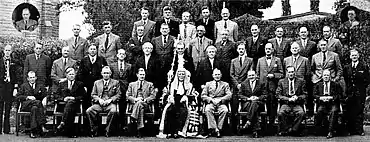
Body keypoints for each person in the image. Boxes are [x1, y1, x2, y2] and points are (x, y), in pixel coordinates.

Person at [157, 68, 196, 138]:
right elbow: (167, 94)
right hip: (174, 101)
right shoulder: (172, 84)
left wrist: (186, 97)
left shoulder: (189, 85)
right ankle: (169, 131)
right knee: (169, 110)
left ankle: (178, 131)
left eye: (183, 74)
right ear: (177, 75)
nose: (181, 76)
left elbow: (193, 96)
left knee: (183, 111)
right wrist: (170, 97)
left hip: (184, 103)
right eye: (179, 74)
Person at [77, 44, 107, 134]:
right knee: (88, 106)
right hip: (87, 87)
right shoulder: (84, 60)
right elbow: (80, 75)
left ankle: (100, 127)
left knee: (98, 106)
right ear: (88, 50)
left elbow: (106, 73)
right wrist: (83, 86)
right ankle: (88, 128)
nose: (93, 51)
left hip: (99, 87)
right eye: (91, 49)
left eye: (94, 49)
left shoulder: (101, 60)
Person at [86, 66, 121, 137]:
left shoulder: (115, 82)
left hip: (110, 104)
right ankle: (94, 130)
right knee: (89, 111)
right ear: (101, 73)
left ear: (110, 74)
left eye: (107, 73)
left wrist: (110, 100)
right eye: (104, 73)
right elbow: (93, 94)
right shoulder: (97, 83)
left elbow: (118, 94)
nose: (106, 75)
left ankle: (108, 130)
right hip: (99, 104)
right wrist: (99, 100)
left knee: (114, 111)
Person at [256, 43, 284, 129]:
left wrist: (274, 75)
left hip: (273, 87)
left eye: (269, 49)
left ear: (272, 50)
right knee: (262, 105)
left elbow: (281, 74)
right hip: (263, 87)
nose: (268, 50)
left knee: (272, 106)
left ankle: (271, 125)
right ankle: (263, 125)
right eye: (266, 49)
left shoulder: (277, 60)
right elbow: (257, 74)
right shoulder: (260, 60)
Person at [343, 49, 370, 136]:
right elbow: (345, 80)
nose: (354, 57)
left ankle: (360, 130)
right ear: (350, 57)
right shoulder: (347, 67)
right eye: (352, 55)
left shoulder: (364, 66)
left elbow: (367, 80)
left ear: (358, 56)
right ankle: (351, 130)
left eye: (355, 55)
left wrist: (361, 88)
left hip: (360, 92)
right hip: (350, 92)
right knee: (350, 111)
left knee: (359, 110)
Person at [55, 68, 86, 138]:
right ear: (66, 75)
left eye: (73, 74)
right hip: (63, 106)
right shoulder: (62, 84)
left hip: (76, 106)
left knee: (71, 103)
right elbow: (56, 95)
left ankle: (63, 122)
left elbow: (83, 96)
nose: (72, 76)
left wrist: (74, 98)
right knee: (69, 107)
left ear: (75, 75)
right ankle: (71, 132)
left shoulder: (80, 84)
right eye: (70, 74)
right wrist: (63, 99)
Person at [276, 66, 307, 136]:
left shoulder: (301, 81)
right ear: (287, 73)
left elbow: (305, 95)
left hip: (297, 104)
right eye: (289, 72)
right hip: (286, 104)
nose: (291, 73)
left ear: (295, 73)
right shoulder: (282, 82)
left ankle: (294, 129)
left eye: (292, 72)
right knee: (281, 113)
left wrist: (297, 97)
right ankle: (287, 128)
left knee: (301, 113)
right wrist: (288, 99)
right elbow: (278, 95)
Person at [16, 71, 48, 138]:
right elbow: (18, 97)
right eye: (30, 77)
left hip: (35, 107)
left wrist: (45, 98)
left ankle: (32, 131)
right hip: (26, 105)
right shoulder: (24, 86)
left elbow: (45, 94)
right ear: (28, 78)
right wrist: (27, 97)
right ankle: (42, 125)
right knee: (38, 102)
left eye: (33, 77)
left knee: (35, 108)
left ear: (36, 78)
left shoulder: (40, 86)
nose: (32, 79)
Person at [201, 68, 232, 138]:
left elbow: (229, 95)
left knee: (225, 110)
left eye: (218, 74)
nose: (217, 76)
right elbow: (203, 95)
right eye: (215, 74)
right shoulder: (208, 84)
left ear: (221, 75)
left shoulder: (225, 84)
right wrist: (211, 100)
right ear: (212, 75)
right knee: (207, 110)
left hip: (221, 103)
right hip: (211, 102)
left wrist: (221, 99)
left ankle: (219, 128)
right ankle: (215, 129)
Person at [126, 68, 156, 138]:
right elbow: (128, 96)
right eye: (140, 74)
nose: (142, 76)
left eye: (143, 74)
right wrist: (135, 99)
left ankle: (133, 117)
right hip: (134, 104)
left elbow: (153, 96)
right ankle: (140, 130)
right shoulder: (131, 84)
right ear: (137, 75)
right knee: (140, 108)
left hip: (145, 104)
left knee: (140, 104)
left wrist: (145, 100)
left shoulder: (150, 84)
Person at [313, 69, 342, 139]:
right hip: (322, 104)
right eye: (324, 75)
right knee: (319, 111)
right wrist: (320, 98)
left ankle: (330, 131)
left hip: (332, 103)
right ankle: (319, 129)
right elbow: (314, 95)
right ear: (322, 76)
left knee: (333, 111)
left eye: (327, 75)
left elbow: (339, 95)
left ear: (330, 76)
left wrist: (331, 98)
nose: (326, 77)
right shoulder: (318, 85)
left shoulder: (335, 85)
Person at [108, 48, 133, 127]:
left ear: (125, 56)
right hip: (115, 88)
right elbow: (110, 78)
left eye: (123, 54)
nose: (121, 55)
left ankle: (123, 125)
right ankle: (114, 125)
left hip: (125, 88)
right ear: (117, 55)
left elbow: (130, 78)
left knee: (123, 106)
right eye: (120, 54)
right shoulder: (112, 65)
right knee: (114, 105)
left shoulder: (129, 66)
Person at [238, 70, 267, 138]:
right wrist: (248, 98)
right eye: (250, 75)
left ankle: (249, 121)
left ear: (256, 75)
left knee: (254, 104)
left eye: (253, 75)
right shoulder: (243, 84)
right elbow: (239, 95)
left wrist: (258, 98)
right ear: (247, 76)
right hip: (247, 103)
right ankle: (255, 130)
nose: (251, 77)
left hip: (258, 103)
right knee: (254, 107)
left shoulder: (261, 83)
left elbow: (265, 94)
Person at [0, 45, 21, 134]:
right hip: (1, 87)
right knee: (0, 108)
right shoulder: (0, 61)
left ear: (11, 51)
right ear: (3, 51)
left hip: (10, 87)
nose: (7, 52)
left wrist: (15, 88)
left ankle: (7, 129)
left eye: (9, 50)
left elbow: (16, 76)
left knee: (8, 108)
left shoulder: (14, 62)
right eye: (6, 50)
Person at [151, 23, 176, 89]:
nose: (164, 30)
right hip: (158, 65)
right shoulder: (155, 40)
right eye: (163, 29)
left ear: (169, 30)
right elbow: (153, 53)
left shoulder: (173, 39)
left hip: (169, 64)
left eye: (166, 29)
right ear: (160, 30)